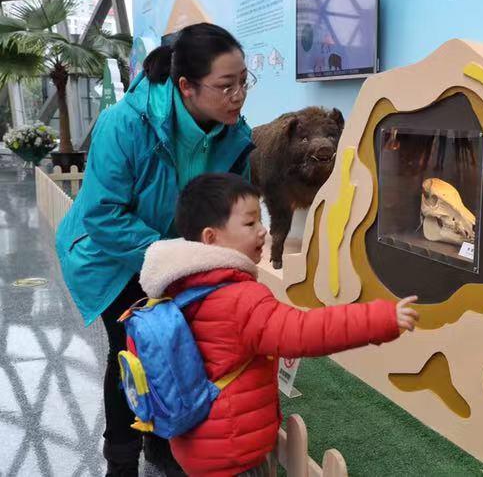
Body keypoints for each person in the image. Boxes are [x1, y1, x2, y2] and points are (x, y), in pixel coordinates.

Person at [56, 23, 256, 476]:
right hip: (107, 254)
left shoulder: (234, 136)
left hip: (173, 254)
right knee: (133, 347)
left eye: (245, 82)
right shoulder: (125, 123)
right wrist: (176, 255)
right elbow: (103, 214)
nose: (239, 96)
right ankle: (121, 458)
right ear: (186, 86)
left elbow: (228, 211)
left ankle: (162, 444)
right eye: (226, 85)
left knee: (178, 342)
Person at [137, 173, 419, 476]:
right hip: (232, 451)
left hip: (195, 439)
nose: (263, 231)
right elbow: (303, 331)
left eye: (261, 220)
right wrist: (380, 319)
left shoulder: (181, 286)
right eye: (250, 223)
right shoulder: (240, 299)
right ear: (211, 237)